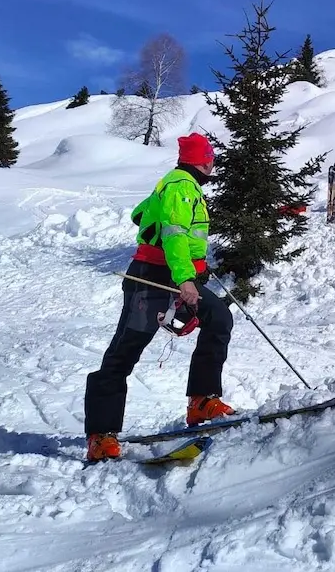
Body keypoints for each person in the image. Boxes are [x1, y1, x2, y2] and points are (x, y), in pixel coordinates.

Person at [84, 133, 235, 462]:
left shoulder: (176, 186)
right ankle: (100, 434)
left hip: (174, 273)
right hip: (151, 279)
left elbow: (141, 215)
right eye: (210, 157)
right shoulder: (180, 184)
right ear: (198, 161)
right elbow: (174, 232)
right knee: (127, 349)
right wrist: (184, 277)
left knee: (219, 318)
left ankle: (202, 401)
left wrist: (193, 264)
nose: (213, 162)